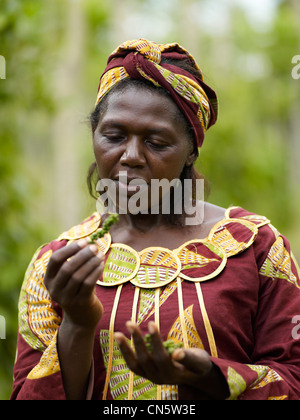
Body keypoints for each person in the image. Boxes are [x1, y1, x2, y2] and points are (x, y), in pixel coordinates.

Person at [10, 39, 300, 401]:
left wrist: (210, 377)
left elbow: (292, 377)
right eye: (113, 136)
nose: (130, 156)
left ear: (191, 150)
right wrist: (78, 322)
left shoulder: (255, 247)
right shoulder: (59, 263)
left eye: (157, 142)